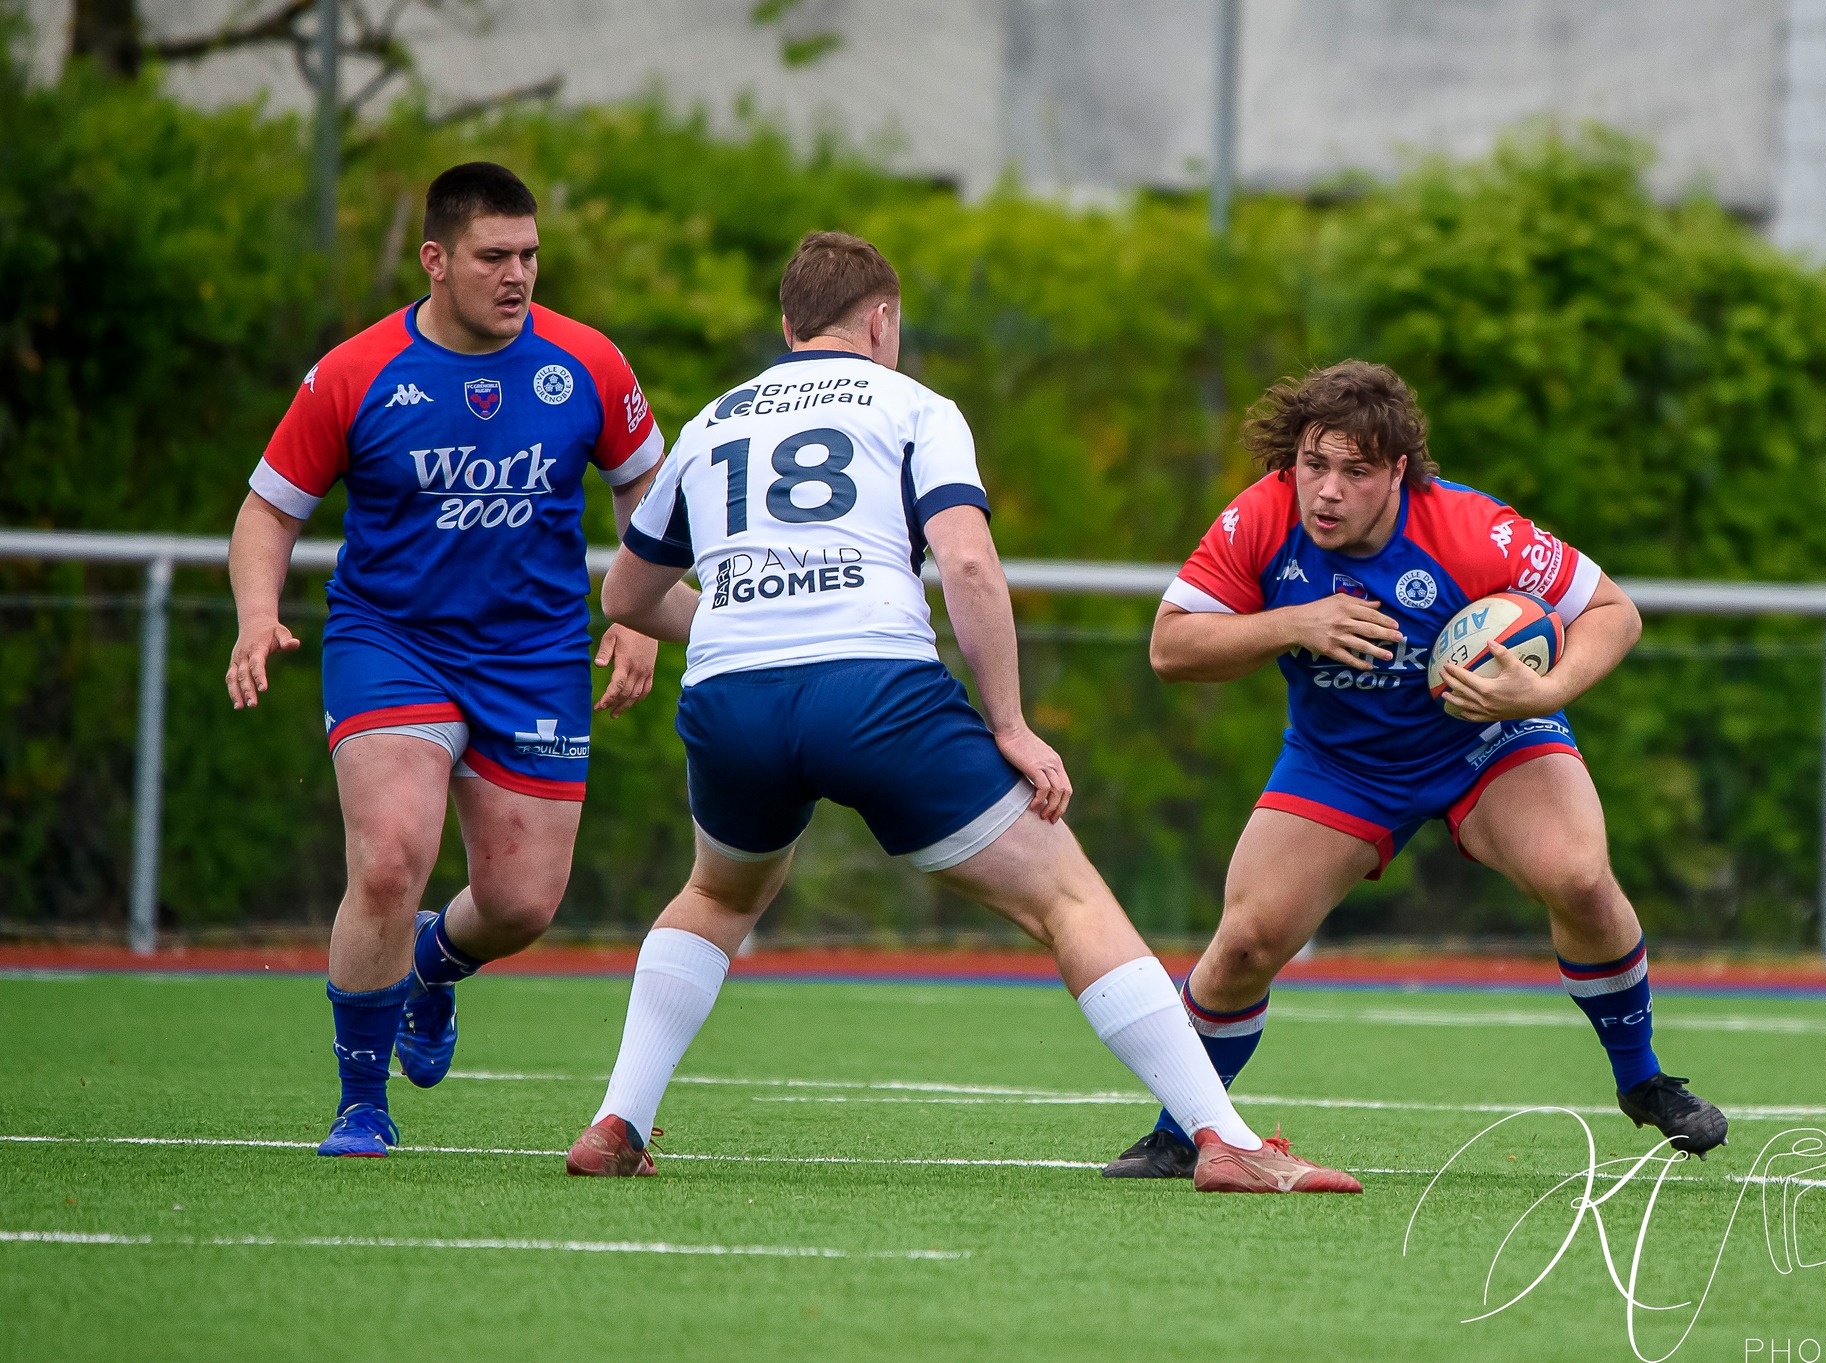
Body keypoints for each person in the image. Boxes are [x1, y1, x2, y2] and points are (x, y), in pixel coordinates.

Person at [565, 231, 1356, 1194]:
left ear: (787, 326)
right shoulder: (914, 405)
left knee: (719, 896)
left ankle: (617, 1120)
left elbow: (629, 597)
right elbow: (969, 564)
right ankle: (1222, 1138)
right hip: (875, 692)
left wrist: (740, 619)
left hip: (730, 698)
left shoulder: (712, 422)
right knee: (1068, 900)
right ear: (883, 321)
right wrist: (1013, 726)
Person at [1101, 360, 1727, 1180]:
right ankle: (1182, 1129)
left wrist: (1542, 689)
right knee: (1246, 941)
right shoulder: (1260, 517)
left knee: (1577, 876)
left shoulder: (1474, 531)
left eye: (1354, 472)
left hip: (1487, 745)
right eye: (1312, 464)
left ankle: (1643, 1080)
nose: (1324, 491)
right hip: (1341, 762)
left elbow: (1615, 611)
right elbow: (1170, 647)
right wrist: (1294, 621)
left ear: (1397, 470)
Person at [224, 162, 666, 1158]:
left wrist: (636, 616)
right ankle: (360, 1101)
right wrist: (257, 614)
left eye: (530, 255)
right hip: (393, 642)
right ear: (435, 259)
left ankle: (433, 964)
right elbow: (267, 510)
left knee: (520, 904)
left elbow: (649, 493)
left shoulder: (588, 364)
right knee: (388, 857)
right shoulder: (355, 372)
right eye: (494, 257)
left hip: (535, 651)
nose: (518, 275)